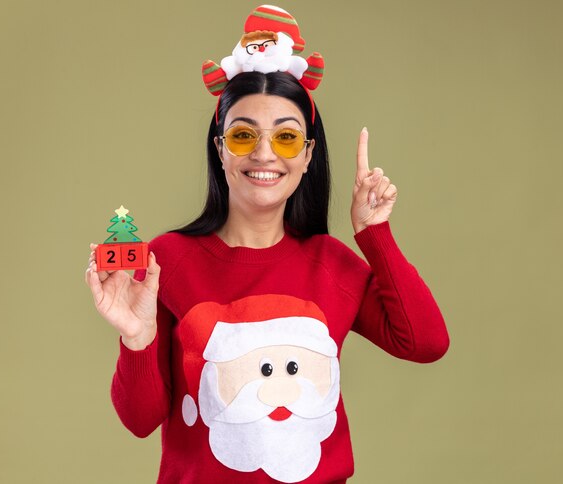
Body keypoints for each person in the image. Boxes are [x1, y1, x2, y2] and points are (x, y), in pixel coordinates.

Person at [85, 5, 449, 483]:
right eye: (242, 136)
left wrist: (373, 234)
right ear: (220, 149)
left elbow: (425, 343)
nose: (263, 154)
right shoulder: (165, 261)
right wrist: (136, 338)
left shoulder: (333, 265)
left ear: (307, 154)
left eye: (285, 138)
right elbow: (139, 420)